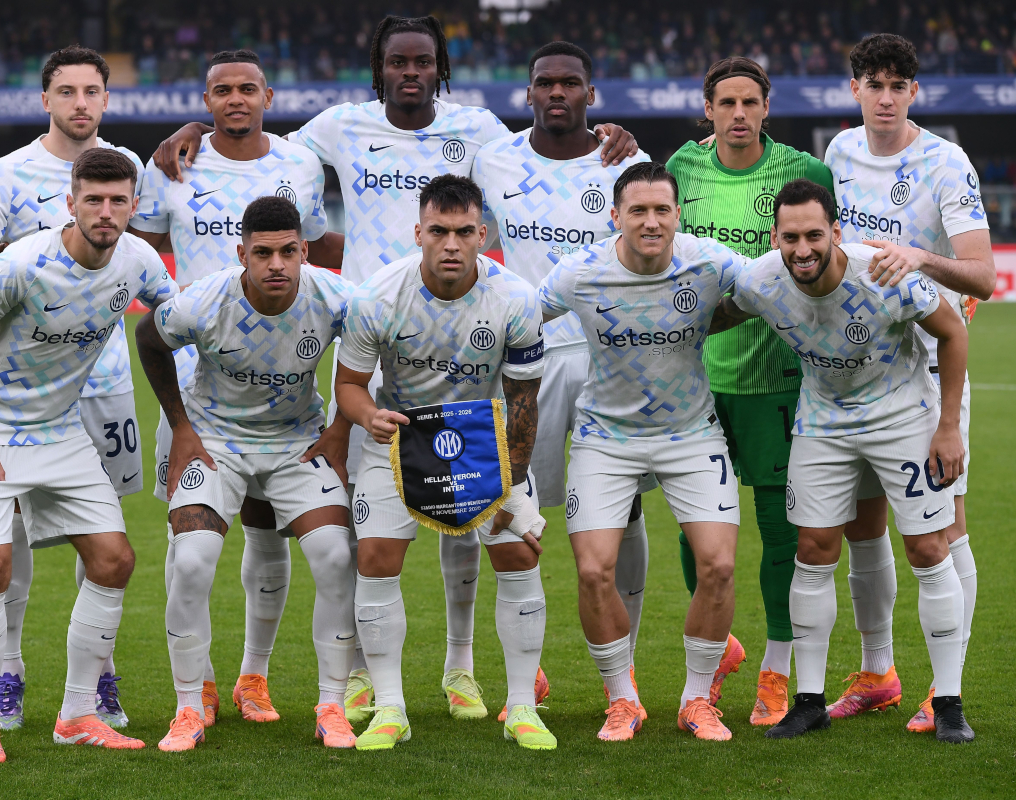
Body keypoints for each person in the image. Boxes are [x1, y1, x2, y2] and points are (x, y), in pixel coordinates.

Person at [150, 15, 638, 723]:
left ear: (440, 68)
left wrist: (608, 137)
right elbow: (260, 142)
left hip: (459, 334)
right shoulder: (338, 126)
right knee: (353, 524)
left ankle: (462, 666)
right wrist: (191, 133)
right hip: (364, 333)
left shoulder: (477, 131)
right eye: (397, 62)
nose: (410, 73)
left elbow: (546, 143)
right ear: (378, 70)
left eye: (423, 62)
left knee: (466, 502)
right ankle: (352, 675)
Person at [718, 178, 975, 744]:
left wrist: (949, 426)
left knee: (929, 549)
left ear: (836, 232)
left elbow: (952, 332)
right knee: (812, 549)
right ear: (775, 237)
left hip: (902, 416)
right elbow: (712, 318)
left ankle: (950, 701)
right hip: (824, 421)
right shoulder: (761, 280)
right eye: (790, 237)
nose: (802, 249)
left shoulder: (882, 272)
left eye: (814, 234)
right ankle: (808, 700)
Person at [129, 48, 342, 728]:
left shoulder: (300, 163)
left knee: (269, 539)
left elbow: (324, 247)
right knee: (188, 548)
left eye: (247, 87)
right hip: (200, 382)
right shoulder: (171, 166)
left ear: (268, 95)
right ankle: (201, 687)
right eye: (222, 89)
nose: (236, 99)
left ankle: (255, 676)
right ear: (206, 99)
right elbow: (139, 248)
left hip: (284, 394)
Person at [0, 148, 178, 763]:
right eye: (93, 200)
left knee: (114, 559)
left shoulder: (138, 261)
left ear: (133, 204)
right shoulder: (23, 263)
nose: (106, 212)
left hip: (58, 430)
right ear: (70, 203)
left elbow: (177, 315)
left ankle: (76, 714)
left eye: (118, 200)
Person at [334, 175, 554, 751]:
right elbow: (350, 386)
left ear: (483, 234)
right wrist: (367, 417)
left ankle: (523, 709)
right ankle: (391, 709)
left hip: (482, 439)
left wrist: (509, 488)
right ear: (419, 233)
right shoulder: (375, 298)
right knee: (376, 557)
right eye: (438, 231)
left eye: (463, 232)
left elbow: (524, 400)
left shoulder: (517, 299)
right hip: (401, 435)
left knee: (517, 552)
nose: (450, 244)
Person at [470, 41, 652, 721]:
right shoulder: (495, 159)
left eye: (569, 82)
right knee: (518, 507)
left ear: (591, 94)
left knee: (622, 509)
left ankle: (623, 670)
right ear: (527, 93)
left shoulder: (626, 163)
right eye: (543, 82)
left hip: (609, 360)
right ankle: (529, 668)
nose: (556, 92)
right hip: (524, 361)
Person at [136, 196, 358, 751]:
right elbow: (148, 339)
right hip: (215, 440)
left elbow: (376, 345)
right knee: (191, 559)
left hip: (296, 442)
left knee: (335, 555)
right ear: (242, 254)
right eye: (263, 253)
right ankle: (191, 702)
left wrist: (339, 431)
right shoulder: (206, 300)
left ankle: (328, 703)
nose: (277, 264)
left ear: (305, 251)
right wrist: (181, 426)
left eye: (288, 251)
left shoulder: (336, 297)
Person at [822, 33, 994, 729]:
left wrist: (920, 257)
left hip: (928, 370)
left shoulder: (944, 163)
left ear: (913, 92)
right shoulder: (838, 153)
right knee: (864, 530)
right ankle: (877, 672)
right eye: (874, 83)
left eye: (898, 85)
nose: (886, 97)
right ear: (854, 88)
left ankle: (943, 686)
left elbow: (982, 275)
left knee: (944, 531)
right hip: (857, 369)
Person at [539, 162, 744, 742]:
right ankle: (622, 699)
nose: (651, 221)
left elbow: (778, 284)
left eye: (662, 210)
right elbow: (516, 316)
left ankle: (697, 699)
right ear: (615, 217)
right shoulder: (580, 273)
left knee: (719, 565)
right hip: (605, 437)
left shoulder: (710, 262)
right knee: (593, 570)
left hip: (691, 433)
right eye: (638, 211)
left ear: (679, 215)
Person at [665, 56, 839, 727]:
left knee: (779, 534)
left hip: (776, 380)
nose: (739, 114)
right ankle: (719, 650)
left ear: (768, 107)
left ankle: (776, 669)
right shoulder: (680, 170)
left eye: (750, 102)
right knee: (696, 532)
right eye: (726, 103)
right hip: (696, 378)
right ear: (707, 109)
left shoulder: (804, 174)